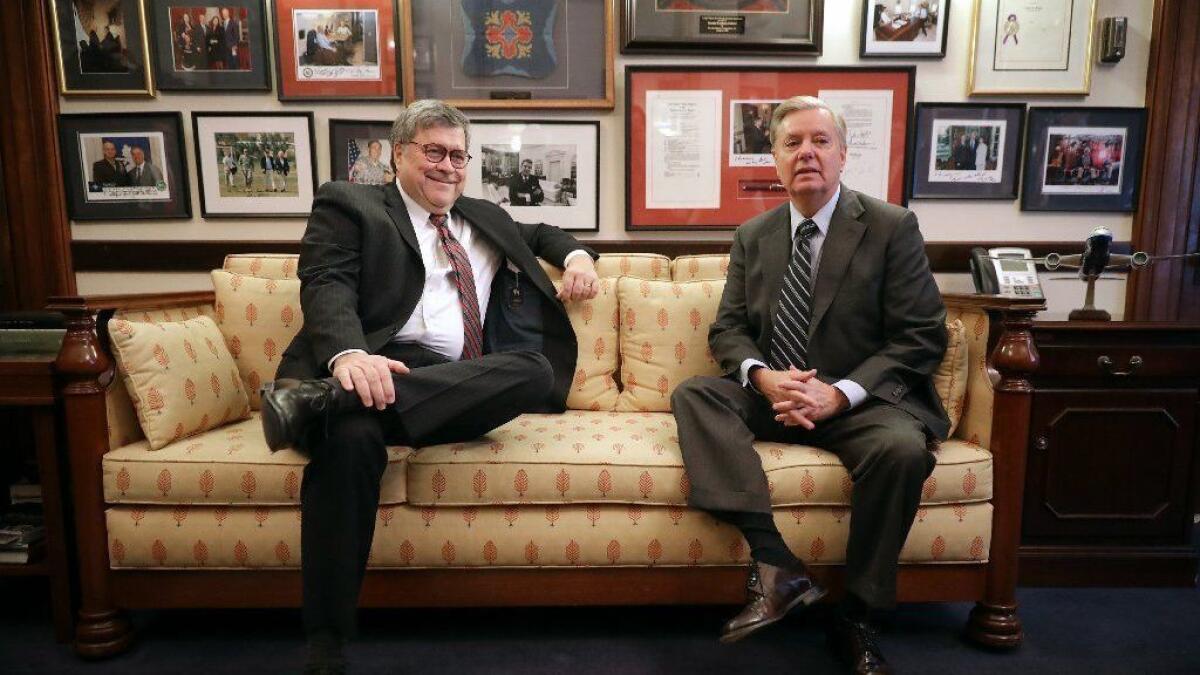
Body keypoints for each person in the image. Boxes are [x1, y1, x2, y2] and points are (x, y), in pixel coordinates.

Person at [258, 100, 600, 674]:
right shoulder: (352, 204)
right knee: (350, 442)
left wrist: (579, 257)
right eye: (434, 152)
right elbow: (327, 283)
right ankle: (326, 641)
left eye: (458, 156)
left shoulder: (481, 217)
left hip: (451, 383)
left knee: (533, 370)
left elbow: (541, 230)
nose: (448, 167)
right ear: (398, 154)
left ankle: (315, 404)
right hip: (369, 361)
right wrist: (348, 356)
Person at [671, 95, 947, 674]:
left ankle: (859, 617)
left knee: (901, 451)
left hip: (856, 403)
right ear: (772, 158)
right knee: (695, 393)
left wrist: (840, 392)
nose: (807, 154)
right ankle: (777, 566)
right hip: (774, 396)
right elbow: (730, 328)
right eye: (792, 142)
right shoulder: (753, 234)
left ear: (844, 155)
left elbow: (920, 336)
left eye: (820, 141)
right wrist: (764, 377)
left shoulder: (892, 226)